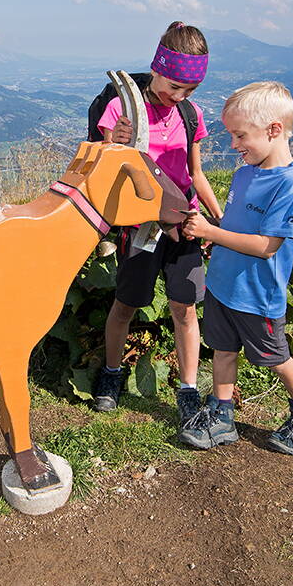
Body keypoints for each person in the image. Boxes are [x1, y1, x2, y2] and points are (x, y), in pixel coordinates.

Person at [179, 81, 293, 455]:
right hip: (223, 286)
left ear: (273, 130)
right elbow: (237, 226)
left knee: (276, 358)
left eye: (240, 134)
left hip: (257, 296)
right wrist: (219, 235)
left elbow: (266, 246)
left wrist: (212, 230)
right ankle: (222, 414)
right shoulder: (246, 172)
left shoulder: (291, 184)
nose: (233, 145)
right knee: (223, 351)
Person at [92, 21, 223, 425]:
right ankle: (112, 374)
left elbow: (195, 173)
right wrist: (112, 140)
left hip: (183, 223)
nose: (179, 96)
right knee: (126, 304)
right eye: (173, 86)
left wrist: (220, 223)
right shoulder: (122, 109)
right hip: (140, 226)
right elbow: (101, 165)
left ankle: (187, 388)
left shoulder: (189, 114)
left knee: (185, 309)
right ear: (157, 67)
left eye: (189, 91)